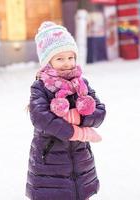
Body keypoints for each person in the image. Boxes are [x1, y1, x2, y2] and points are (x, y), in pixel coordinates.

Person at [25, 21, 106, 200]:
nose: (67, 63)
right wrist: (73, 131)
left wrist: (78, 118)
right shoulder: (41, 87)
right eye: (60, 59)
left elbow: (99, 111)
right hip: (50, 163)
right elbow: (40, 118)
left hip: (80, 163)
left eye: (70, 58)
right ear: (48, 61)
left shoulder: (81, 84)